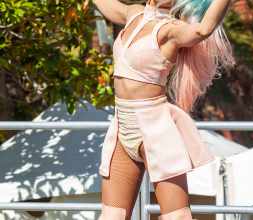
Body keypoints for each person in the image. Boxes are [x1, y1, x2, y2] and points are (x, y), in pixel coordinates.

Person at [92, 0, 235, 219]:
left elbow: (203, 29)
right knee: (112, 215)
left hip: (156, 129)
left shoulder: (170, 30)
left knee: (176, 217)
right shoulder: (134, 13)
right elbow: (109, 6)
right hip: (122, 127)